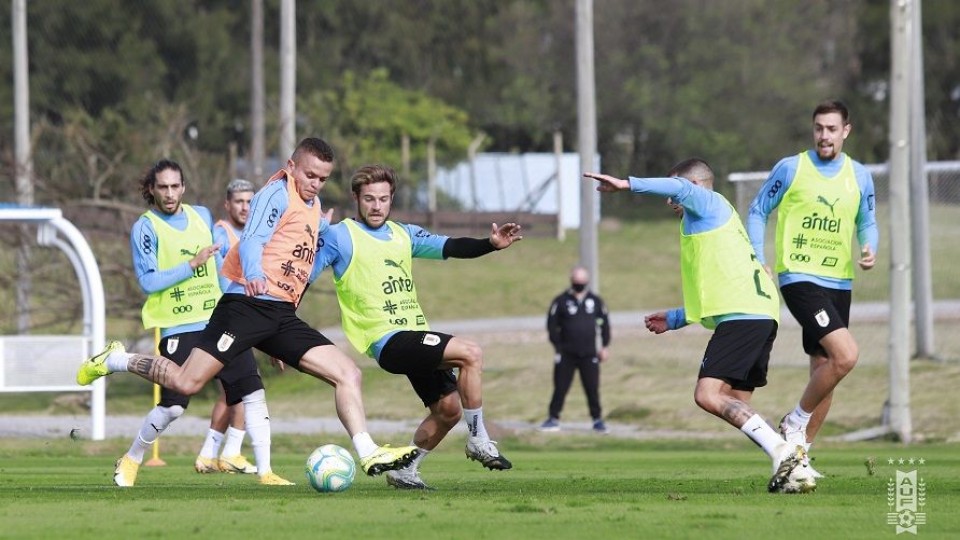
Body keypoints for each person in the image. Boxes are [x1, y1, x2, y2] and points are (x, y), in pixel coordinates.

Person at [77, 138, 419, 480]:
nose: (315, 183)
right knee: (185, 383)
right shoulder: (276, 192)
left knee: (348, 373)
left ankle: (368, 452)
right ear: (292, 166)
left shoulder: (313, 205)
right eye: (310, 174)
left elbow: (298, 265)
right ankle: (115, 360)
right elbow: (253, 238)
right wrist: (253, 273)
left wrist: (276, 338)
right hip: (245, 307)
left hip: (280, 315)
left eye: (323, 178)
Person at [585, 158, 814, 493]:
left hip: (745, 316)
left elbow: (679, 187)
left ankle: (784, 451)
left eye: (674, 191)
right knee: (735, 400)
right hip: (759, 313)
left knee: (707, 395)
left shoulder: (708, 202)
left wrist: (626, 184)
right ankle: (798, 470)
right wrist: (676, 318)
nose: (669, 200)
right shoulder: (709, 220)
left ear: (693, 187)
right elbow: (716, 286)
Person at [311, 164, 521, 490]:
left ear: (391, 198)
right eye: (369, 199)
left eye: (383, 198)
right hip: (387, 340)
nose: (376, 206)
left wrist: (489, 244)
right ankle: (479, 438)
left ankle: (405, 470)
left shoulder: (403, 234)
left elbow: (450, 247)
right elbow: (302, 276)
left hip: (413, 335)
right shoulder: (340, 236)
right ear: (356, 198)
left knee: (449, 409)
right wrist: (311, 237)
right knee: (470, 353)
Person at [117, 160, 275, 486]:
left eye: (176, 186)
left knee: (252, 390)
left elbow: (220, 269)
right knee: (175, 407)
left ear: (184, 187)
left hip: (218, 320)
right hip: (178, 326)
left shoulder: (201, 216)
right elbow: (148, 282)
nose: (170, 193)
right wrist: (191, 263)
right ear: (152, 189)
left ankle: (266, 473)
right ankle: (132, 457)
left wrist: (250, 313)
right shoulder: (146, 227)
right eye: (163, 187)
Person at [746, 100, 878, 477]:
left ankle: (796, 459)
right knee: (846, 355)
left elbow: (868, 221)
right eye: (819, 128)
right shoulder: (792, 168)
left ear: (846, 131)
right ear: (813, 129)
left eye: (832, 129)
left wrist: (871, 248)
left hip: (839, 279)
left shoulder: (860, 175)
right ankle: (794, 421)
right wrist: (758, 257)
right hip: (800, 277)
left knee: (827, 367)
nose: (824, 135)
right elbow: (757, 210)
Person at [193, 179, 259, 475]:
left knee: (230, 393)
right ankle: (232, 452)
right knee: (248, 388)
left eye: (249, 202)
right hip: (227, 321)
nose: (245, 207)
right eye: (240, 202)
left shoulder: (253, 235)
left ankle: (208, 455)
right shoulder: (221, 235)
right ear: (227, 205)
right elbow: (220, 283)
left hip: (239, 320)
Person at [539, 266, 611, 434]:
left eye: (582, 281)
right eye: (576, 281)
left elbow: (605, 324)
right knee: (560, 387)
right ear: (571, 281)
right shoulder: (561, 301)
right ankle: (553, 418)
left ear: (587, 282)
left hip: (589, 353)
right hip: (566, 353)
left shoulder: (596, 301)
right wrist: (558, 346)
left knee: (592, 387)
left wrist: (605, 346)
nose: (579, 284)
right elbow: (551, 325)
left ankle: (597, 419)